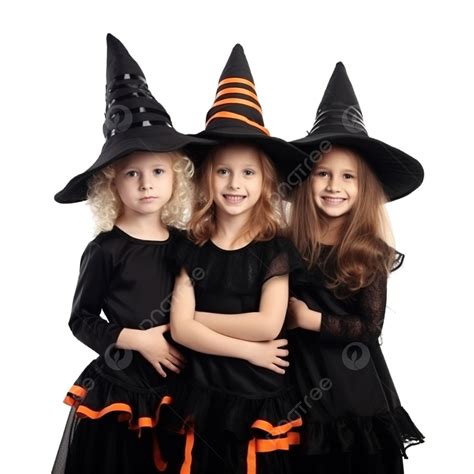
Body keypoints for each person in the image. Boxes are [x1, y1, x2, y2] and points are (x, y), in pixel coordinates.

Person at [52, 34, 213, 474]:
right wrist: (137, 339)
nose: (146, 184)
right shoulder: (105, 250)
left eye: (158, 171)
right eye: (132, 174)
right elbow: (81, 319)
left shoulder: (187, 242)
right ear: (111, 184)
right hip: (120, 390)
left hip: (180, 386)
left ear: (176, 177)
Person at [166, 44, 309, 474]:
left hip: (260, 395)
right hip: (204, 391)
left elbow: (268, 323)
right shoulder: (189, 245)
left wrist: (195, 321)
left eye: (248, 172)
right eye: (223, 170)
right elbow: (179, 330)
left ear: (264, 182)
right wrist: (248, 351)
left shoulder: (275, 249)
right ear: (206, 177)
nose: (234, 183)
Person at [286, 62, 425, 474]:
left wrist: (309, 319)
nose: (334, 186)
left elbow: (370, 327)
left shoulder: (369, 252)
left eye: (348, 177)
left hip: (354, 392)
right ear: (305, 181)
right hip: (297, 384)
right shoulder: (286, 249)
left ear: (363, 189)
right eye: (323, 174)